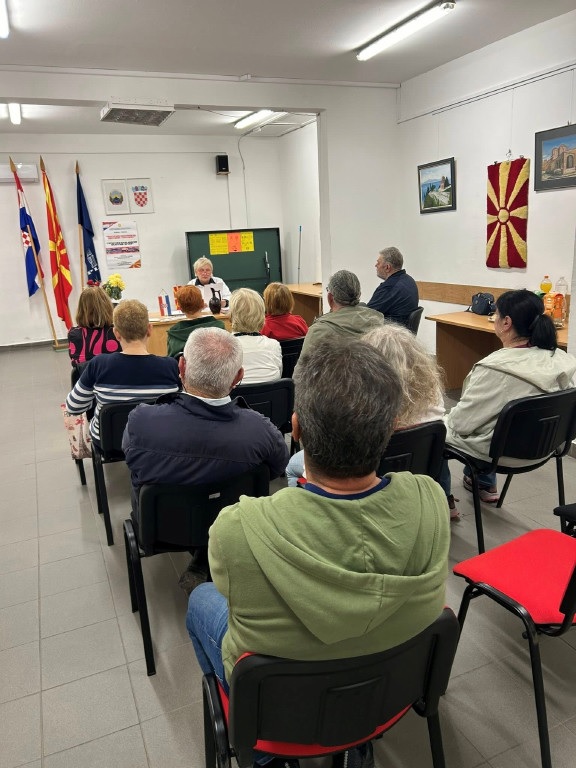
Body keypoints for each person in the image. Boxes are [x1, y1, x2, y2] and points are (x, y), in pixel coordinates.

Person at [186, 339, 450, 768]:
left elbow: (233, 594)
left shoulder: (237, 528)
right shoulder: (430, 498)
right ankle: (356, 739)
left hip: (280, 709)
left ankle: (261, 753)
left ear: (297, 428)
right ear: (392, 428)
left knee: (201, 599)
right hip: (389, 695)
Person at [122, 327, 289, 533]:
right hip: (237, 528)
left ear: (181, 366)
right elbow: (278, 467)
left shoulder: (141, 423)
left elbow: (131, 460)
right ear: (238, 377)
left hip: (163, 532)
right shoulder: (262, 431)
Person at [286, 323, 457, 517]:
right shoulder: (434, 393)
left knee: (293, 465)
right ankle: (447, 501)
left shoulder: (362, 397)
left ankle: (303, 514)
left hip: (363, 470)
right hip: (420, 471)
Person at [441, 289, 576, 503]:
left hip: (500, 455)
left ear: (506, 323)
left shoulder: (495, 369)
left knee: (434, 429)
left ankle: (442, 502)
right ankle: (484, 484)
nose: (494, 318)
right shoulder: (564, 361)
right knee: (492, 417)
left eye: (496, 314)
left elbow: (461, 424)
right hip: (548, 448)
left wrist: (442, 418)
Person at [65, 299, 180, 446]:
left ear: (116, 333)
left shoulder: (98, 365)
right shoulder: (170, 366)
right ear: (149, 329)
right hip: (159, 441)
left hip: (110, 443)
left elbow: (73, 407)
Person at [300, 269, 383, 356]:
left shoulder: (318, 331)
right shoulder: (379, 322)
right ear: (359, 295)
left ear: (330, 298)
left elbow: (303, 364)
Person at [229, 288, 282, 383]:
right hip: (271, 392)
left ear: (231, 316)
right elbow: (279, 375)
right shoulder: (274, 345)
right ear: (262, 315)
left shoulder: (223, 348)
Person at [167, 285, 225, 357]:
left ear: (180, 308)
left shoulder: (174, 333)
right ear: (202, 303)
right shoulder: (218, 326)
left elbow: (173, 359)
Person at [67, 285, 120, 364]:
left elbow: (76, 363)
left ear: (81, 309)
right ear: (108, 307)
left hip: (85, 372)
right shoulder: (117, 332)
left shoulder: (73, 334)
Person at [367, 247, 419, 327]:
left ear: (387, 267)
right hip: (403, 331)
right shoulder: (409, 280)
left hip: (390, 332)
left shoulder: (389, 287)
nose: (376, 265)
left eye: (378, 263)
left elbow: (366, 315)